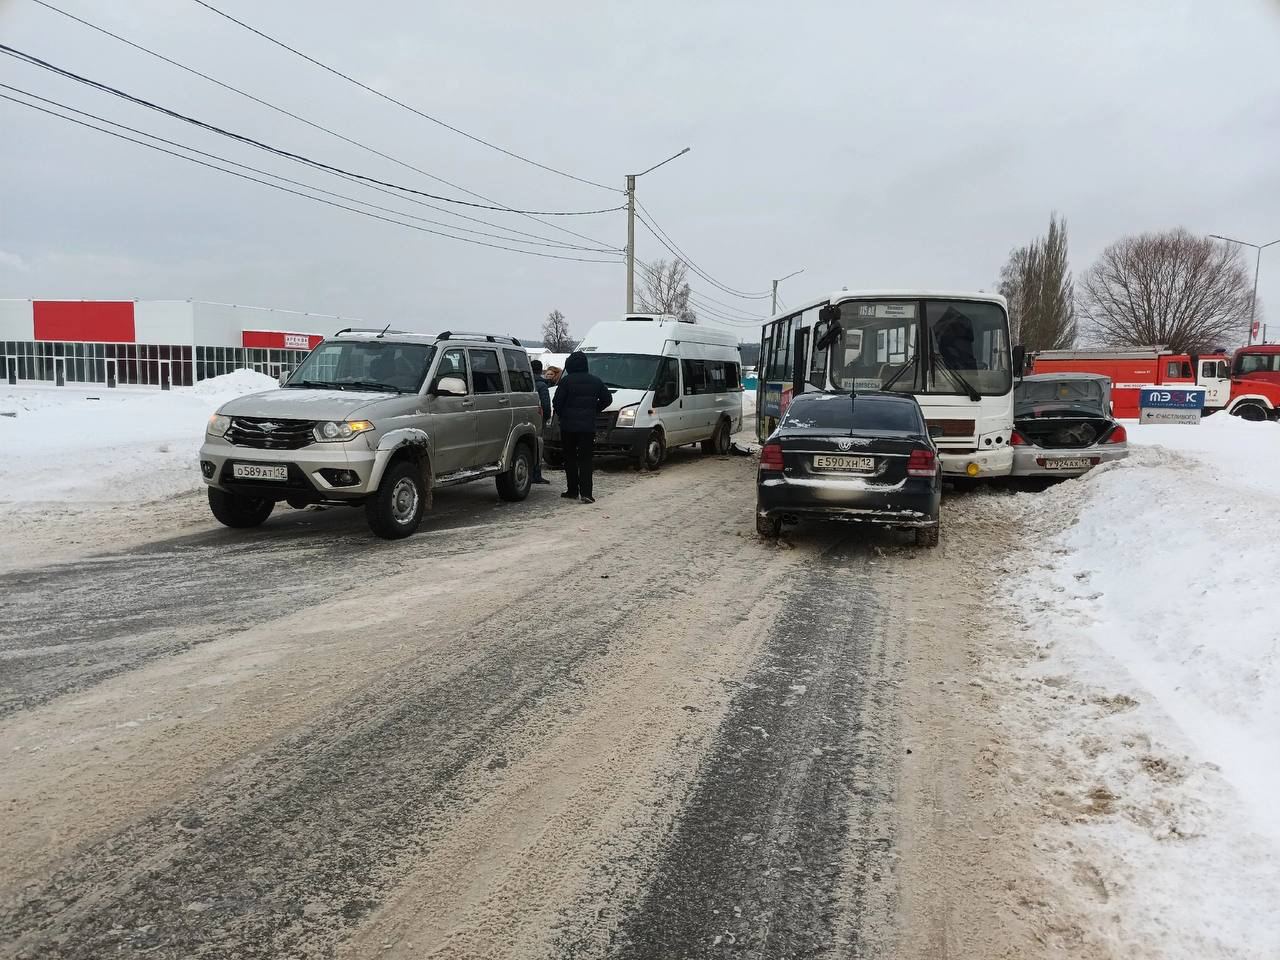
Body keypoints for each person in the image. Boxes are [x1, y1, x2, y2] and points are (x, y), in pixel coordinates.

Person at [551, 351, 612, 504]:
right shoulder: (596, 381)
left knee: (570, 458)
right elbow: (607, 399)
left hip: (568, 427)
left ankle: (572, 490)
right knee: (586, 460)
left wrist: (564, 415)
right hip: (587, 427)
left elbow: (557, 402)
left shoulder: (565, 382)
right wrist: (595, 410)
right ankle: (587, 493)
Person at [530, 359, 552, 484]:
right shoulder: (542, 385)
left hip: (524, 417)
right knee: (538, 445)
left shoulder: (524, 381)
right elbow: (546, 405)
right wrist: (546, 417)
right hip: (538, 418)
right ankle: (536, 474)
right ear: (540, 369)